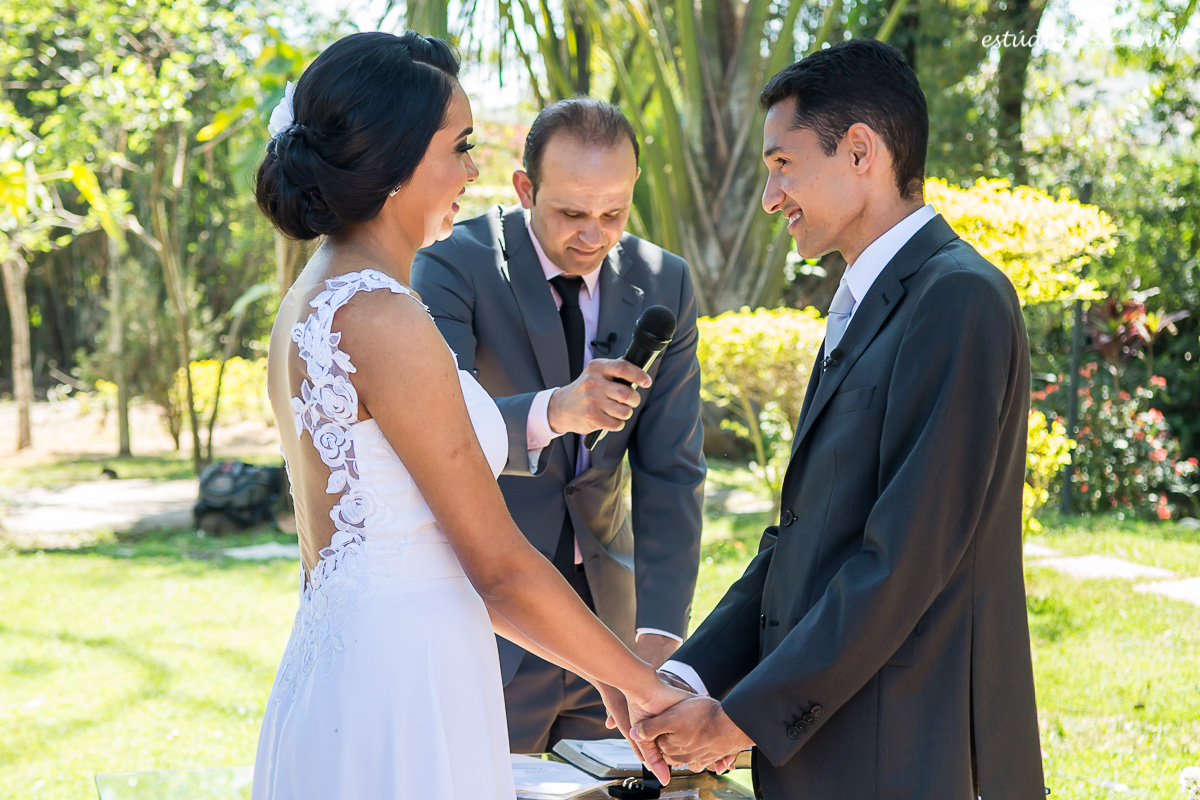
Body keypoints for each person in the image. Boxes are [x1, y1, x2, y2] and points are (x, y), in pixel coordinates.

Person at [250, 32, 685, 800]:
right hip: (402, 693)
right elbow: (499, 568)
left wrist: (599, 671)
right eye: (459, 146)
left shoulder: (315, 296)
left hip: (359, 672)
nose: (472, 170)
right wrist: (647, 688)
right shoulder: (382, 316)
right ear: (395, 161)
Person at [632, 39, 1046, 799]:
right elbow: (805, 538)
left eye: (782, 165)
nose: (770, 197)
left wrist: (737, 720)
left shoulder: (959, 299)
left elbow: (904, 560)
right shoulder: (861, 303)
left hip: (902, 751)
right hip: (826, 748)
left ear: (861, 152)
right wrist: (685, 673)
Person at [411, 98, 706, 754]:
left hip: (613, 629)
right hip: (490, 618)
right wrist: (557, 409)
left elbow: (672, 470)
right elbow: (435, 431)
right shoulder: (451, 267)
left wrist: (659, 632)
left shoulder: (666, 282)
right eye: (572, 212)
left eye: (614, 213)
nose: (595, 235)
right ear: (525, 189)